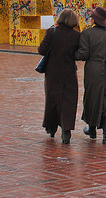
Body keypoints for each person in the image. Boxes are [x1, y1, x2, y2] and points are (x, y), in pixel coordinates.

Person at [76, 6, 106, 145]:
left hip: (94, 69)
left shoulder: (87, 33)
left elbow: (83, 54)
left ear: (95, 20)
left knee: (92, 98)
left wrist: (72, 54)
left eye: (92, 17)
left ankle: (92, 130)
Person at [37, 8, 81, 144]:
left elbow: (41, 50)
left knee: (52, 99)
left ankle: (51, 127)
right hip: (69, 73)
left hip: (52, 73)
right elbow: (79, 54)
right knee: (69, 101)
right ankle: (66, 129)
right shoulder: (77, 36)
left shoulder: (51, 32)